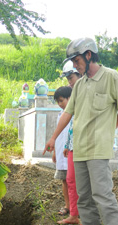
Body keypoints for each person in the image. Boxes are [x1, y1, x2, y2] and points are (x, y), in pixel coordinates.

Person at [43, 37, 118, 225]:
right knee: (83, 194)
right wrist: (54, 137)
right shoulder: (80, 85)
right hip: (79, 148)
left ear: (89, 55)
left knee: (102, 192)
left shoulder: (111, 77)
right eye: (73, 61)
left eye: (76, 60)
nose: (74, 65)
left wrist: (109, 128)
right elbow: (68, 113)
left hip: (98, 147)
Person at [57, 61, 82, 225]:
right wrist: (66, 144)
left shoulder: (86, 92)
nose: (69, 82)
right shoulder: (76, 95)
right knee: (71, 181)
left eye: (71, 78)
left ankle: (86, 220)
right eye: (67, 79)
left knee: (84, 184)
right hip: (73, 146)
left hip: (86, 146)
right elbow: (71, 125)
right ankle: (74, 214)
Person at [52, 86, 71, 217]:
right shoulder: (60, 116)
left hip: (71, 153)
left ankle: (76, 208)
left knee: (73, 181)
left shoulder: (75, 115)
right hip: (61, 153)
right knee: (64, 180)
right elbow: (58, 136)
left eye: (61, 100)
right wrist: (54, 152)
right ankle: (67, 206)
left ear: (70, 98)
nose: (59, 104)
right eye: (57, 101)